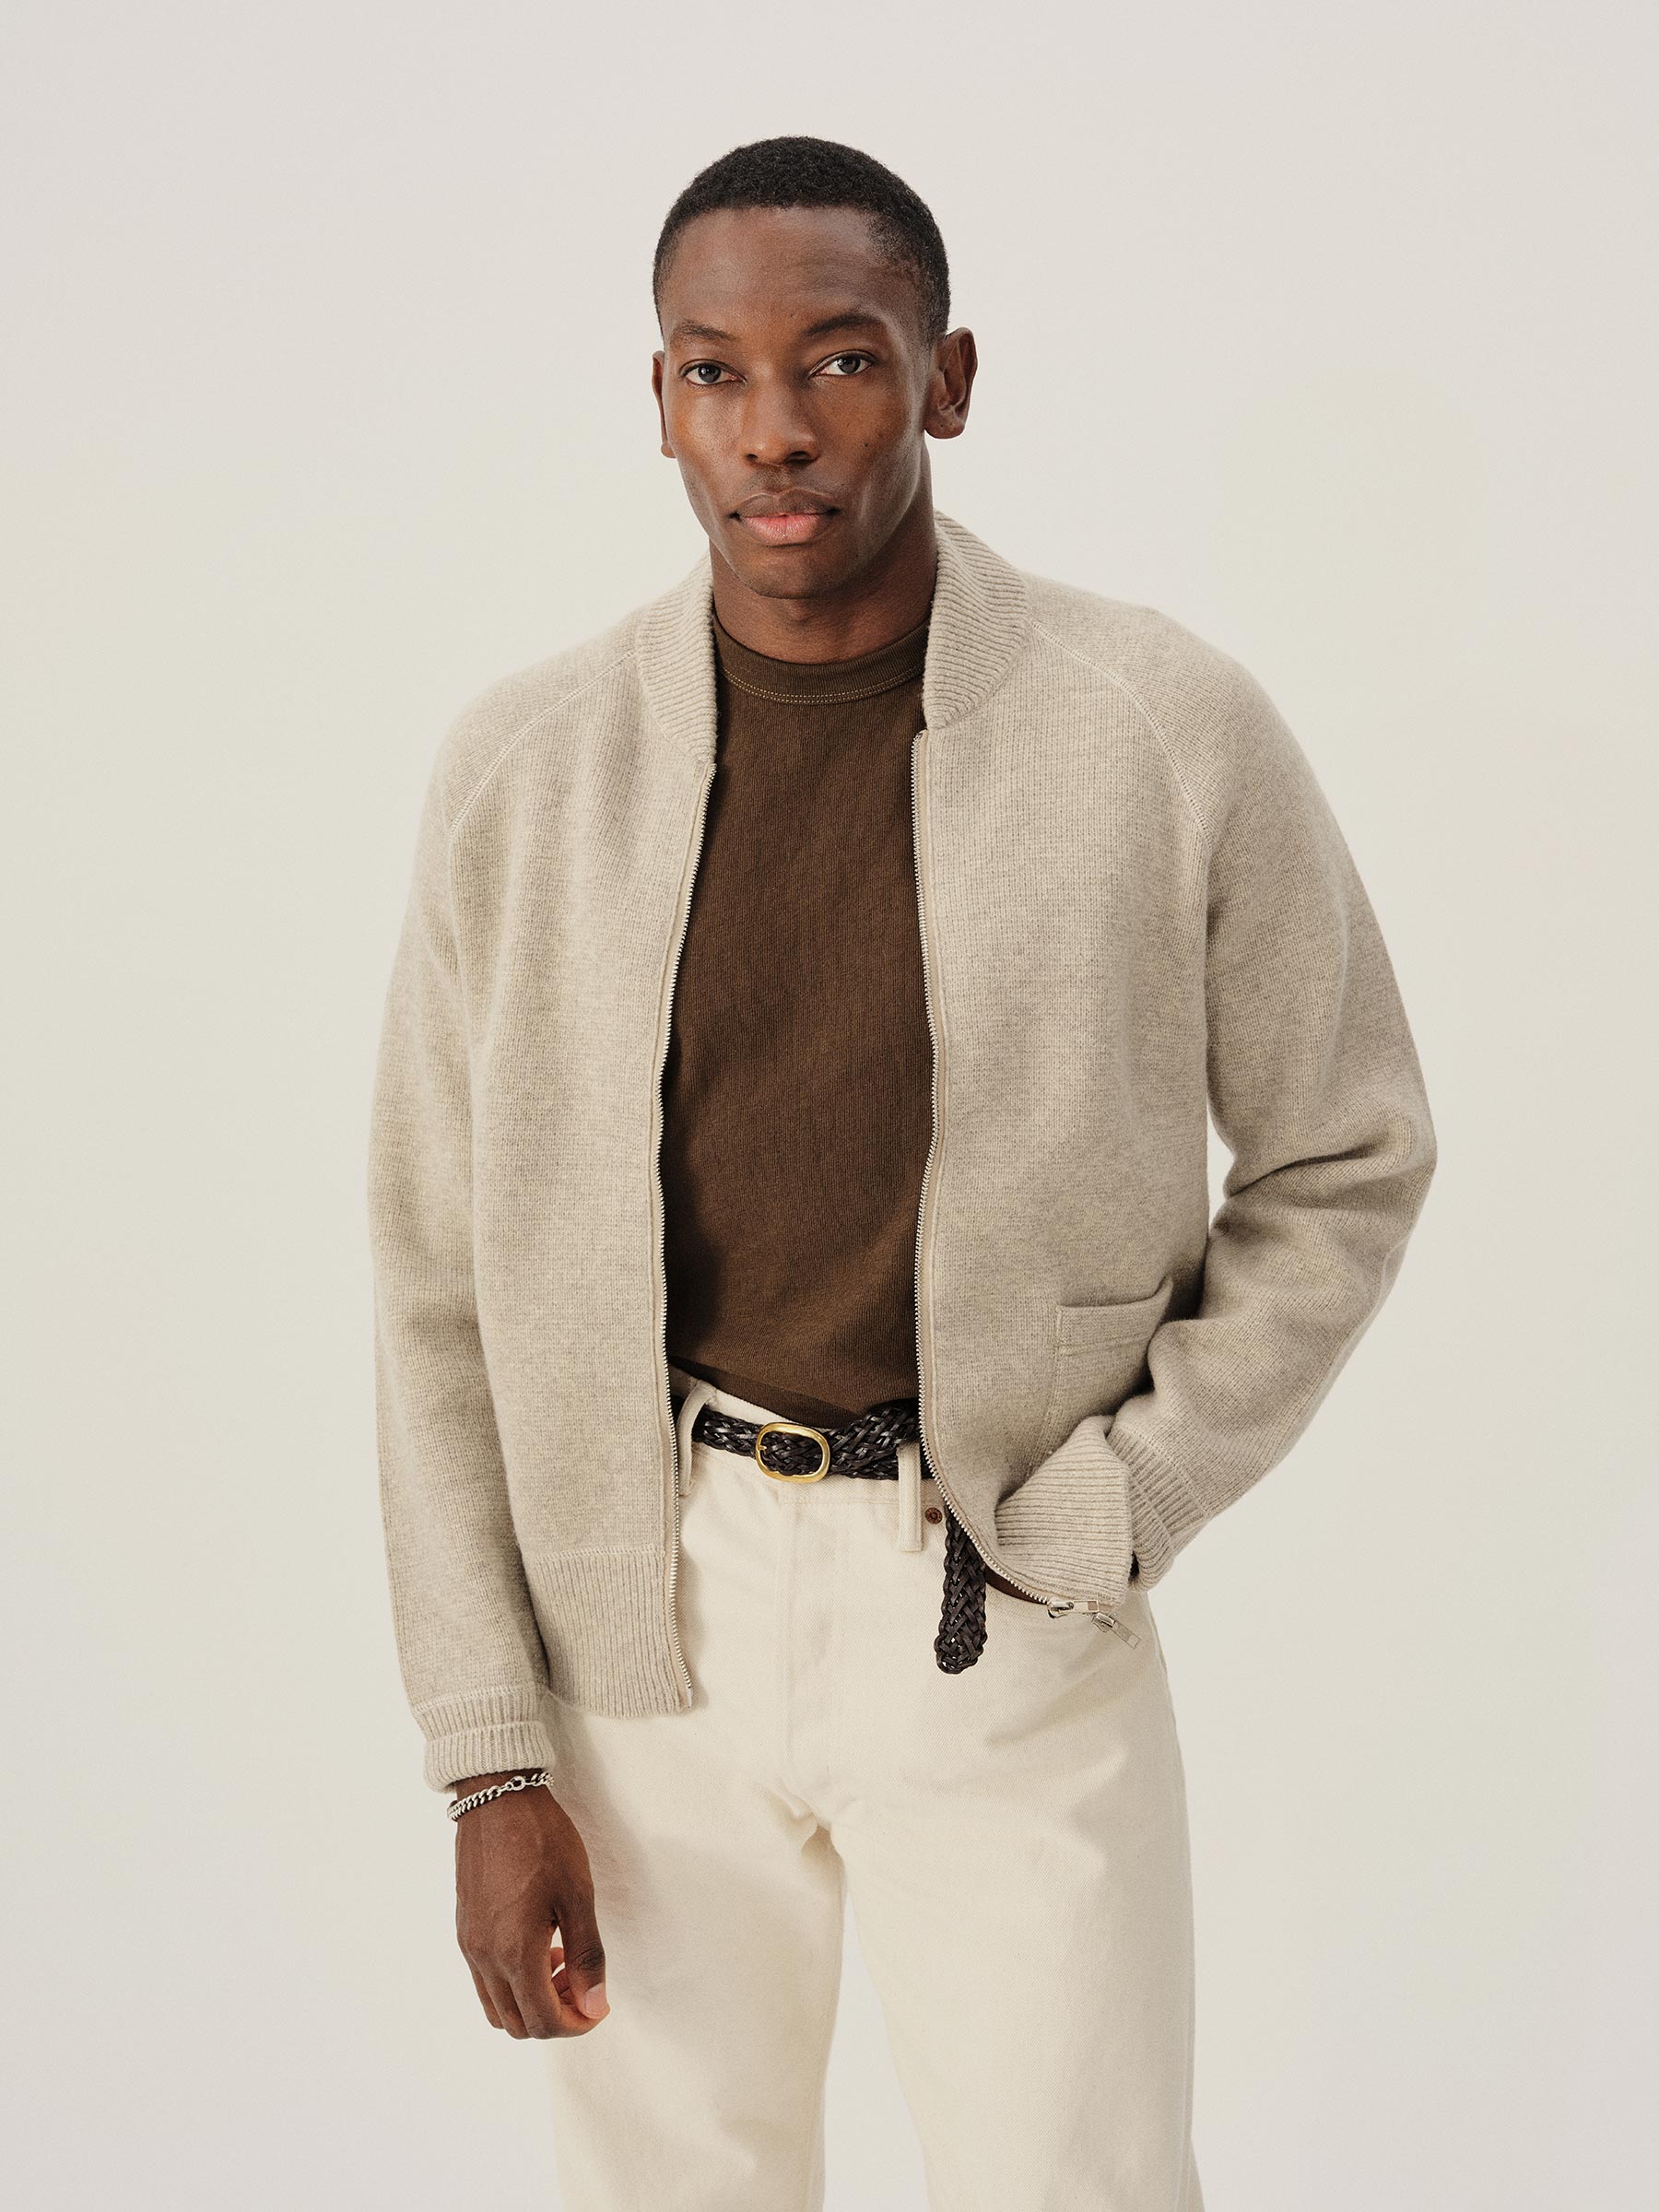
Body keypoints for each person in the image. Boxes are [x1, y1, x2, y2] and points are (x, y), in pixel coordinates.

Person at [367, 134, 1437, 2211]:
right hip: (641, 1616)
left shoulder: (1161, 728)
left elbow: (1350, 1148)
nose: (775, 430)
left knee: (1076, 2183)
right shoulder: (526, 767)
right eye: (715, 371)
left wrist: (1131, 1490)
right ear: (659, 401)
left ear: (946, 380)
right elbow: (431, 1282)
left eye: (841, 361)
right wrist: (490, 1754)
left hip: (1000, 1593)